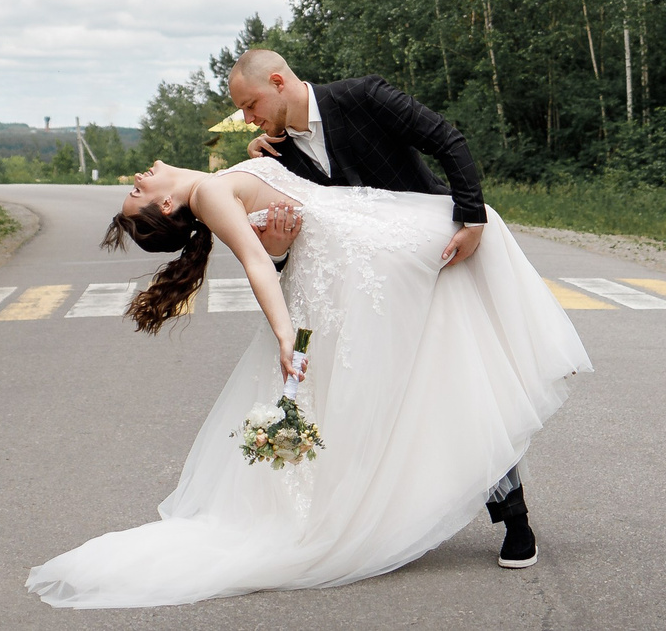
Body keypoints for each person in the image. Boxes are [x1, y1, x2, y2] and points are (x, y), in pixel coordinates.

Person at [23, 132, 590, 608]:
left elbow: (284, 221)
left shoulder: (222, 180)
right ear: (168, 207)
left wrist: (268, 159)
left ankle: (489, 504)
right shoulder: (211, 192)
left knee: (442, 364)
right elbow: (255, 264)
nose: (137, 180)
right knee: (462, 294)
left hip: (352, 268)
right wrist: (284, 333)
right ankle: (482, 506)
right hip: (361, 274)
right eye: (138, 194)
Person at [227, 50, 546, 563]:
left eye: (250, 103)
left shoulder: (362, 96)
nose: (248, 118)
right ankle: (384, 523)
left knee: (463, 387)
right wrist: (279, 246)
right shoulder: (277, 158)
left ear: (279, 81)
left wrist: (472, 218)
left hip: (434, 265)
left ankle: (516, 520)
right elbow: (303, 248)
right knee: (382, 405)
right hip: (367, 299)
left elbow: (447, 140)